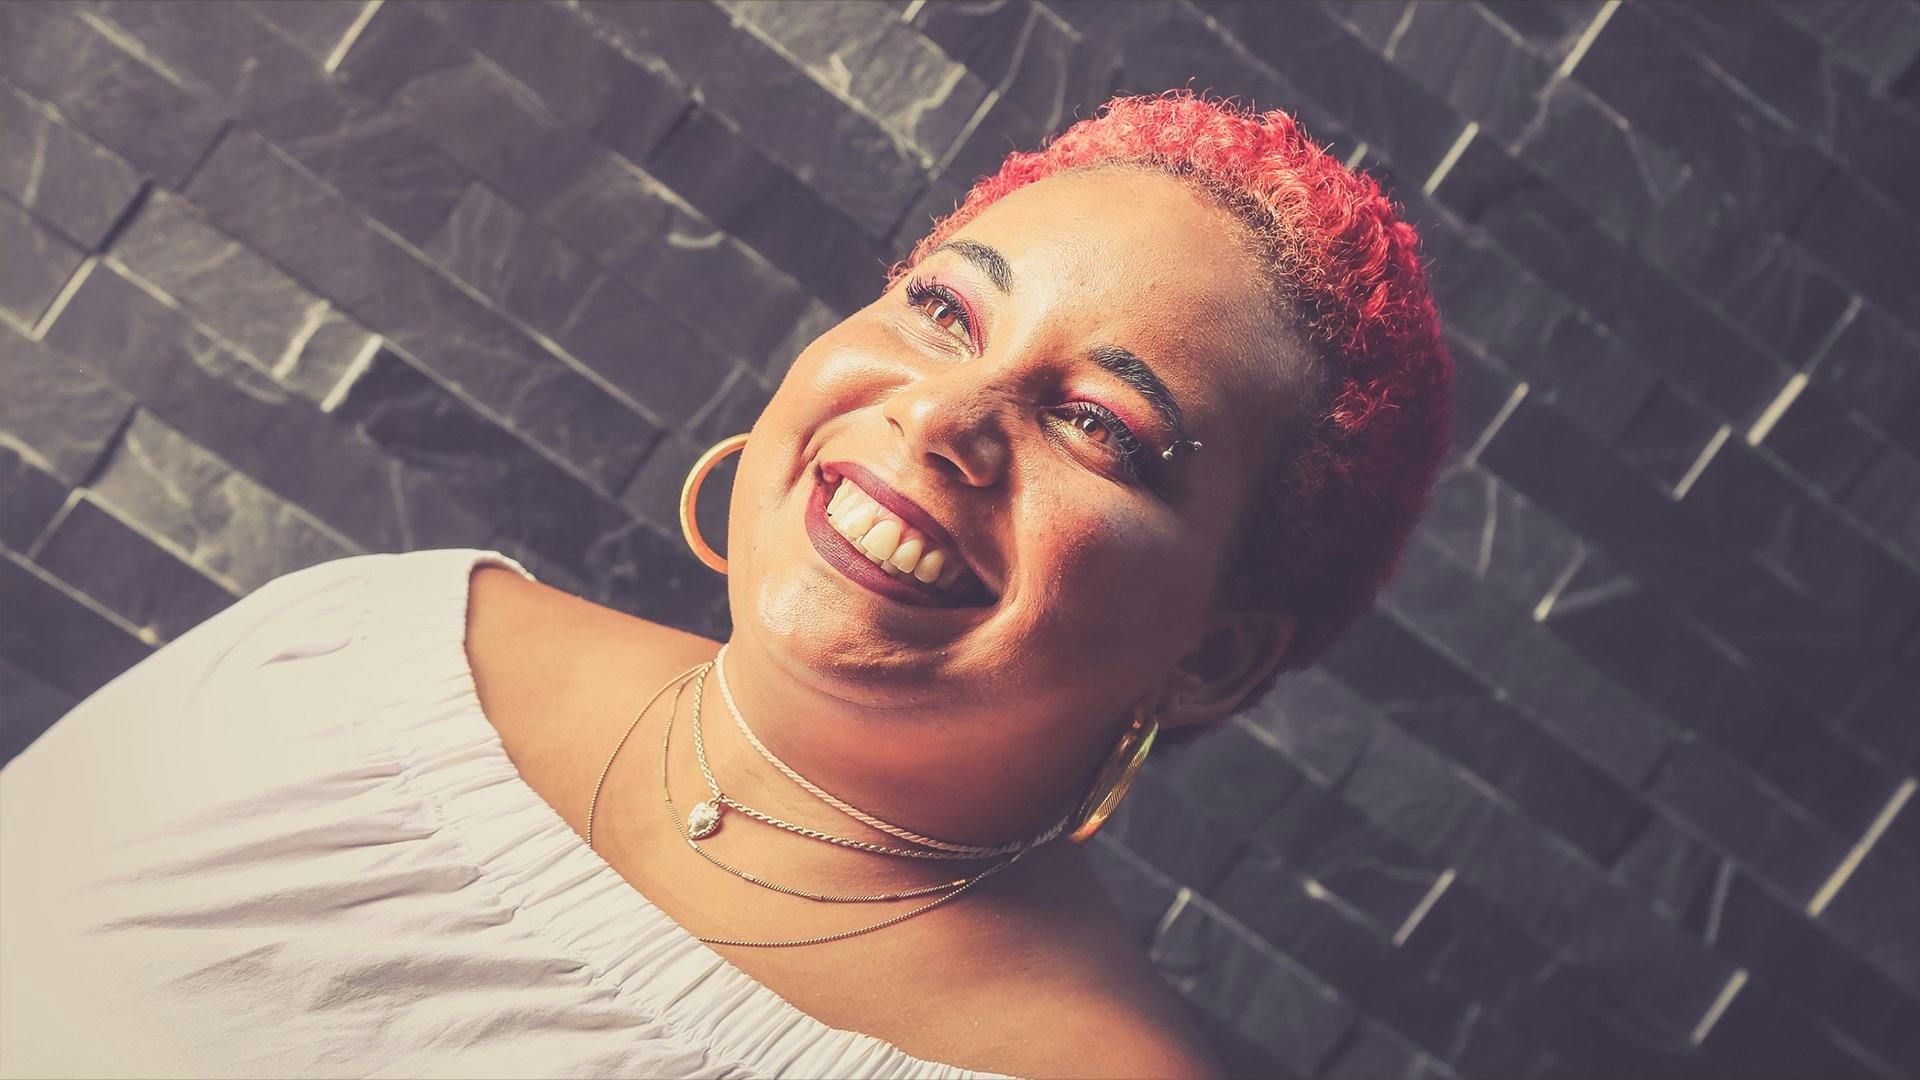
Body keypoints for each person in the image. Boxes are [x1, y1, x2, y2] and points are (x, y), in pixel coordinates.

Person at [0, 90, 1451, 1079]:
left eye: (1098, 425)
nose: (943, 417)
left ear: (1213, 655)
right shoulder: (357, 650)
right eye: (945, 309)